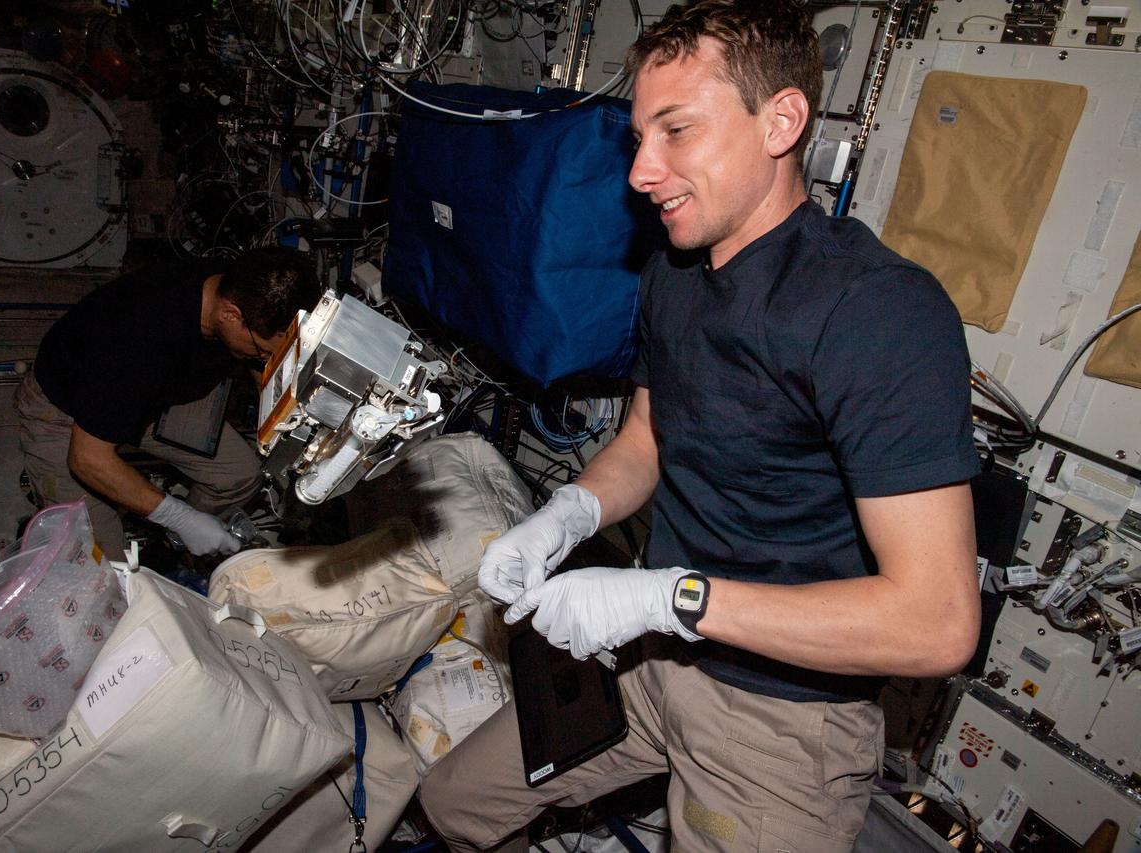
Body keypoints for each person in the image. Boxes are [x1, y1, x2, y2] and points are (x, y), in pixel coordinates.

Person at [419, 1, 981, 850]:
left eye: (676, 131)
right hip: (656, 662)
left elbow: (937, 621)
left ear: (780, 121)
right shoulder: (674, 270)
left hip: (780, 722)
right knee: (454, 801)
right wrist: (563, 516)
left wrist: (668, 596)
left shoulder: (877, 312)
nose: (643, 171)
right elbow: (646, 440)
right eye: (639, 137)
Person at [16, 247, 320, 560]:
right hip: (65, 416)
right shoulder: (140, 338)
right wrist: (179, 517)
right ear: (230, 315)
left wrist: (285, 422)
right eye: (260, 352)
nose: (262, 361)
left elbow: (262, 365)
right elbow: (87, 459)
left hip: (159, 396)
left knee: (239, 478)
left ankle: (171, 548)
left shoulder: (240, 285)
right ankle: (169, 526)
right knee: (107, 567)